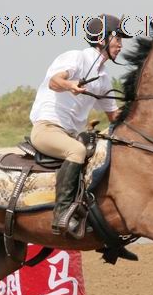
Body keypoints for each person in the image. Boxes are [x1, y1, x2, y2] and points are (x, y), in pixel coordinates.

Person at [29, 14, 132, 235]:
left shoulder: (103, 79)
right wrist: (70, 85)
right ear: (101, 39)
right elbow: (54, 82)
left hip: (70, 134)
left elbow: (114, 116)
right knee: (76, 150)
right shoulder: (76, 57)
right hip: (47, 128)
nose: (121, 45)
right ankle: (62, 214)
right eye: (118, 39)